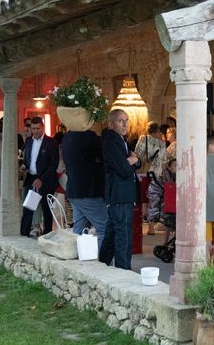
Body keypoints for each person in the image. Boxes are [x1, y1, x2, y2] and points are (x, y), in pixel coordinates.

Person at [100, 109, 141, 270]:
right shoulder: (111, 141)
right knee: (123, 237)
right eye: (120, 121)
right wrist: (132, 161)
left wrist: (133, 161)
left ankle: (100, 267)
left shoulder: (122, 140)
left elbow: (137, 161)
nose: (125, 124)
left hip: (123, 196)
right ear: (111, 124)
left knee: (111, 236)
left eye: (127, 120)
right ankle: (124, 272)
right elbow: (123, 169)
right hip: (119, 195)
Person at [62, 129, 108, 250]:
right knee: (105, 228)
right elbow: (104, 155)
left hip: (74, 190)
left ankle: (80, 260)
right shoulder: (89, 136)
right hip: (89, 191)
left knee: (80, 230)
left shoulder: (67, 137)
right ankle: (104, 264)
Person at [20, 117, 59, 237]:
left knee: (46, 209)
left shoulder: (51, 142)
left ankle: (47, 235)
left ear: (42, 128)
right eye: (33, 128)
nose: (35, 131)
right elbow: (27, 159)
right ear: (30, 128)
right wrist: (23, 166)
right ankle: (23, 235)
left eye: (38, 128)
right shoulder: (28, 141)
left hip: (46, 180)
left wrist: (41, 179)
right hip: (31, 178)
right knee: (28, 208)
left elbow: (54, 165)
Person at [135, 121, 168, 235]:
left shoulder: (143, 139)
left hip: (143, 172)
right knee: (153, 200)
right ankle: (152, 227)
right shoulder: (162, 144)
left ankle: (145, 223)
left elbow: (137, 154)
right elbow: (164, 161)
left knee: (143, 199)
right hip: (156, 174)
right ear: (157, 131)